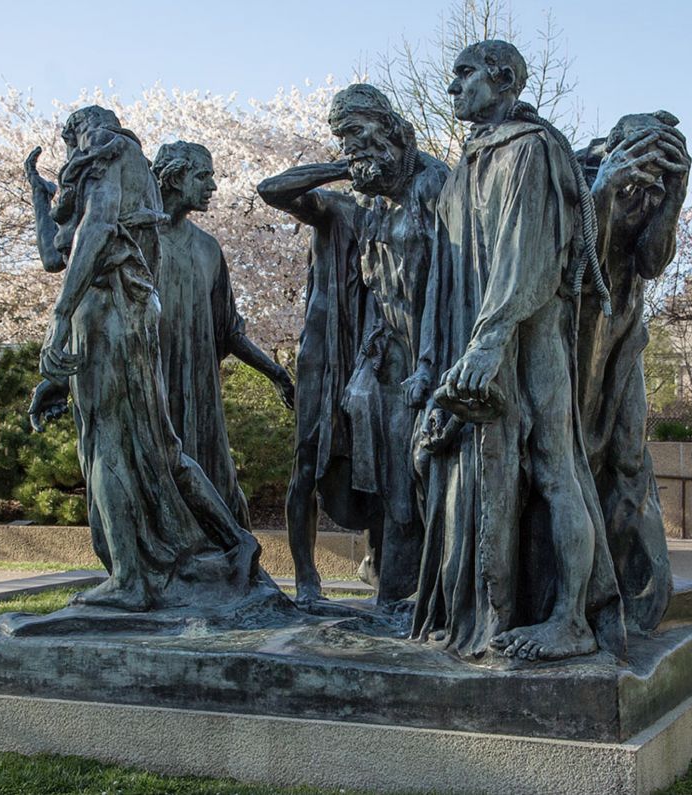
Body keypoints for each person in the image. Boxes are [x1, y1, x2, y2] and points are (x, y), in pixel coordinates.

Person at [412, 41, 625, 662]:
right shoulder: (467, 163)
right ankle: (485, 608)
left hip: (527, 335)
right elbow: (444, 271)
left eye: (465, 74)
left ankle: (571, 620)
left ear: (503, 79)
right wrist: (432, 361)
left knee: (555, 468)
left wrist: (491, 338)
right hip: (474, 341)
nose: (453, 87)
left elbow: (527, 253)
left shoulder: (531, 148)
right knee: (484, 470)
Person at [25, 106, 263, 611]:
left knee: (106, 446)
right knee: (161, 449)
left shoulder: (107, 146)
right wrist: (39, 194)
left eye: (69, 141)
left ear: (78, 130)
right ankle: (236, 542)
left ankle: (129, 578)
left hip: (106, 310)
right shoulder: (122, 169)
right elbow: (54, 255)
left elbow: (97, 228)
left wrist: (60, 318)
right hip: (120, 317)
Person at [257, 85, 448, 604]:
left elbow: (438, 277)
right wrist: (344, 166)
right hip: (352, 357)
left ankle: (401, 579)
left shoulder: (427, 187)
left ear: (389, 125)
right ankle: (339, 581)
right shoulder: (351, 206)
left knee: (402, 469)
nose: (350, 144)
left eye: (356, 132)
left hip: (402, 354)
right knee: (347, 468)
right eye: (342, 137)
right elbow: (271, 190)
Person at [576, 111, 691, 632]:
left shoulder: (652, 190)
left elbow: (651, 262)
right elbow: (580, 262)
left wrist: (674, 198)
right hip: (578, 337)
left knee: (627, 451)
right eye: (647, 159)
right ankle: (583, 585)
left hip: (623, 335)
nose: (651, 174)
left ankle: (635, 583)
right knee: (581, 453)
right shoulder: (581, 176)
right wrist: (606, 186)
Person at [153, 141, 295, 531]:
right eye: (203, 176)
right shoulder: (135, 239)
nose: (213, 186)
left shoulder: (208, 249)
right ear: (175, 178)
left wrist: (277, 373)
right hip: (151, 384)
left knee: (217, 487)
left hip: (200, 390)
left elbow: (229, 331)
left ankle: (230, 556)